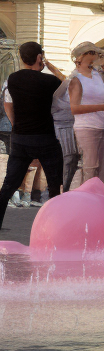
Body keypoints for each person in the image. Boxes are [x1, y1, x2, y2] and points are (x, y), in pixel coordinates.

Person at [0, 42, 66, 231]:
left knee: (9, 185)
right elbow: (68, 83)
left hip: (21, 138)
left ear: (22, 58)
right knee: (54, 185)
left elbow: (8, 105)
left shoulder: (12, 79)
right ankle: (56, 227)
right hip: (45, 137)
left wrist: (16, 126)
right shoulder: (50, 82)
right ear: (39, 58)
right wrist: (51, 66)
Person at [68, 42, 104, 183]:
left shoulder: (97, 75)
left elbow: (103, 96)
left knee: (103, 168)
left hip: (103, 125)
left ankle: (100, 198)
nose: (97, 56)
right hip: (86, 127)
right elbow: (74, 108)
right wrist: (102, 106)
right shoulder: (76, 78)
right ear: (85, 55)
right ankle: (88, 199)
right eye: (94, 53)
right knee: (90, 166)